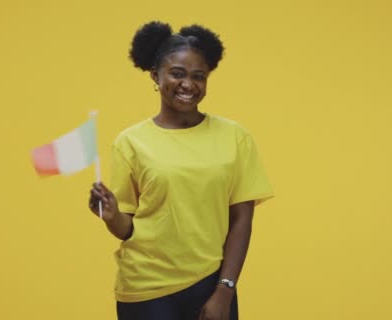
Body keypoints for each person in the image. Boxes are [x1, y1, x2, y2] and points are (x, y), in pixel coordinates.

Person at [88, 21, 274, 320]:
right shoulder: (130, 143)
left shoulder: (234, 137)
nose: (188, 84)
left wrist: (225, 290)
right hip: (145, 289)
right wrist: (111, 216)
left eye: (198, 76)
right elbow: (129, 229)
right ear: (155, 76)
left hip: (210, 281)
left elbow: (242, 218)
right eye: (177, 73)